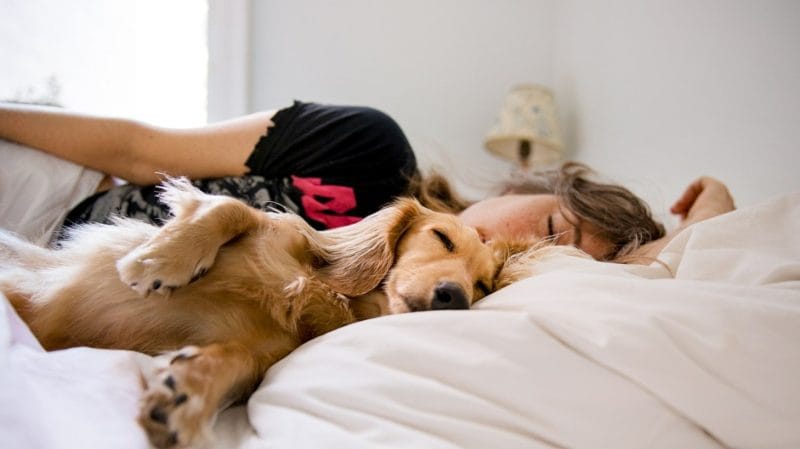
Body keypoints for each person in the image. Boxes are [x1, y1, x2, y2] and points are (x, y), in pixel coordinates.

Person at [0, 101, 735, 263]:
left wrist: (714, 220)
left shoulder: (429, 293)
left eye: (557, 257)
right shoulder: (365, 146)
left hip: (63, 272)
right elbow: (140, 148)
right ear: (525, 184)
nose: (522, 247)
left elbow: (660, 281)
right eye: (547, 226)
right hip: (66, 193)